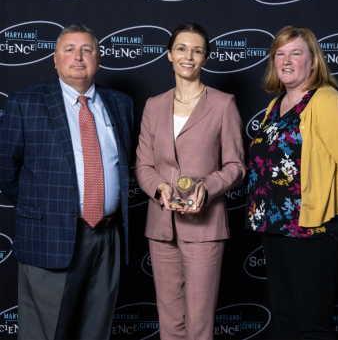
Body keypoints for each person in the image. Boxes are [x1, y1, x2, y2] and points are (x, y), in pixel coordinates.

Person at [0, 23, 133, 340]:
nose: (79, 57)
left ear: (98, 59)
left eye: (87, 50)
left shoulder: (121, 104)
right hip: (50, 235)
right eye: (69, 50)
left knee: (96, 330)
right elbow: (7, 172)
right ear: (55, 59)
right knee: (44, 333)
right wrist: (49, 209)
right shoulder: (26, 103)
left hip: (108, 235)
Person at [245, 25, 338, 339]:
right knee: (289, 321)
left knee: (313, 325)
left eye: (295, 53)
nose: (286, 60)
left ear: (313, 61)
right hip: (274, 228)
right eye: (279, 54)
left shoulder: (326, 100)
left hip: (313, 229)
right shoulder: (274, 106)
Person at [134, 22, 246, 340]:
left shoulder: (223, 104)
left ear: (205, 59)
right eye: (182, 48)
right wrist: (160, 187)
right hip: (161, 225)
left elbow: (236, 165)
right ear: (169, 55)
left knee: (199, 323)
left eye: (197, 50)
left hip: (204, 224)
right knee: (169, 321)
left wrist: (206, 188)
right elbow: (143, 165)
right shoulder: (154, 106)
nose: (189, 55)